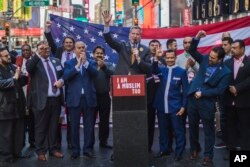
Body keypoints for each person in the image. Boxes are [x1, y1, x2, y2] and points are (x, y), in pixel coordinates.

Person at [187, 30, 231, 166]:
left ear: (220, 59)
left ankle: (208, 156)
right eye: (210, 56)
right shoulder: (205, 58)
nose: (209, 59)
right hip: (193, 99)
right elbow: (192, 51)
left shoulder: (225, 72)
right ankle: (195, 149)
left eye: (213, 58)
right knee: (192, 127)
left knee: (208, 131)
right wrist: (197, 38)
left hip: (207, 103)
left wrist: (203, 93)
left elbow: (219, 90)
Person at [26, 41, 64, 161]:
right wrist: (38, 54)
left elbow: (63, 75)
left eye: (47, 49)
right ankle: (40, 151)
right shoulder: (34, 62)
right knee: (40, 127)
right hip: (41, 101)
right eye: (42, 49)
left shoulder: (56, 61)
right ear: (38, 50)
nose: (45, 50)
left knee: (53, 126)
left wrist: (61, 81)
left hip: (56, 100)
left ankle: (52, 149)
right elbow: (28, 68)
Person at [63, 41, 98, 159]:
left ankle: (87, 149)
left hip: (88, 98)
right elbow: (66, 76)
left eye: (83, 47)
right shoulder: (69, 63)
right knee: (74, 126)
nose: (81, 50)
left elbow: (96, 74)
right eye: (79, 48)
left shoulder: (91, 62)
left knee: (89, 125)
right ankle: (75, 149)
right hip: (74, 98)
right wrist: (77, 66)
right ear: (74, 50)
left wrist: (85, 63)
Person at [153, 49, 188, 161]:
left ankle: (179, 152)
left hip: (175, 107)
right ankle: (164, 150)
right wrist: (156, 58)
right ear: (165, 58)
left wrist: (183, 106)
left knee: (178, 131)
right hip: (161, 107)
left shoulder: (181, 71)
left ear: (175, 58)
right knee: (163, 131)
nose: (169, 59)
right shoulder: (161, 70)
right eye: (167, 58)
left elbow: (186, 91)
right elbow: (153, 69)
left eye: (172, 57)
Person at [0, 47, 27, 165]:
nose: (9, 57)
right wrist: (14, 78)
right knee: (6, 133)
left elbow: (21, 82)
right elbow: (2, 84)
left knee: (18, 130)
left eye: (9, 55)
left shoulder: (12, 66)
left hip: (17, 104)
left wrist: (22, 75)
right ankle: (6, 155)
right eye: (5, 56)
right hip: (5, 107)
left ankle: (17, 152)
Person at [102, 10, 151, 75]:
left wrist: (139, 59)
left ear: (140, 36)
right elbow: (110, 41)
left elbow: (149, 68)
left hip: (137, 82)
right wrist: (106, 25)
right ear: (129, 35)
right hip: (122, 79)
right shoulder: (122, 46)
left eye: (137, 34)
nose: (135, 36)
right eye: (133, 33)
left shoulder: (146, 50)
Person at [223, 39, 250, 152]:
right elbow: (223, 78)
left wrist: (237, 88)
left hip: (244, 101)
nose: (232, 50)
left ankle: (245, 150)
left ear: (242, 49)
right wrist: (229, 86)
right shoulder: (227, 62)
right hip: (229, 101)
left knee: (245, 127)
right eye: (232, 48)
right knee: (230, 127)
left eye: (235, 48)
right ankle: (230, 149)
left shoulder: (249, 61)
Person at [92, 46, 114, 149]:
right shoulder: (89, 65)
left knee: (104, 121)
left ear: (104, 55)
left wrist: (103, 67)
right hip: (91, 97)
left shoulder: (109, 65)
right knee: (90, 121)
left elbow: (112, 75)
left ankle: (103, 142)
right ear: (93, 54)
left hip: (105, 96)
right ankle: (89, 143)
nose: (99, 55)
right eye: (97, 53)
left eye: (101, 53)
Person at [16, 44, 35, 148]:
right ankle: (21, 142)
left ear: (30, 51)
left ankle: (33, 141)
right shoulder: (18, 60)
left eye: (28, 50)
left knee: (32, 120)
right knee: (22, 121)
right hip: (22, 92)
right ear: (21, 51)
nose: (26, 52)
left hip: (33, 93)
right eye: (24, 50)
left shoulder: (35, 60)